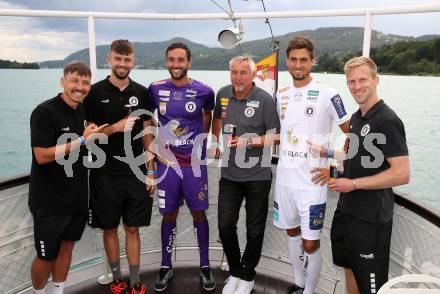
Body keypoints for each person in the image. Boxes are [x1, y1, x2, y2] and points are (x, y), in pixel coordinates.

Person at [273, 35, 350, 294]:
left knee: (310, 243)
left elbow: (354, 132)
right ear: (286, 61)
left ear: (312, 61)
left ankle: (309, 292)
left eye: (303, 60)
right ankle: (298, 283)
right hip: (284, 179)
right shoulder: (280, 94)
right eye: (293, 59)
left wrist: (334, 165)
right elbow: (282, 133)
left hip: (312, 184)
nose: (298, 64)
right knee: (292, 233)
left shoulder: (329, 94)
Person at [328, 56, 410, 294]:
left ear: (376, 79)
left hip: (370, 219)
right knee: (349, 269)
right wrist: (328, 161)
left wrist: (353, 184)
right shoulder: (356, 118)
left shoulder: (388, 120)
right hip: (347, 211)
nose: (357, 86)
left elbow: (402, 173)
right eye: (351, 81)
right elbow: (354, 157)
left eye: (362, 79)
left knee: (372, 286)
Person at [29, 61, 108, 294]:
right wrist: (82, 141)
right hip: (49, 202)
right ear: (62, 81)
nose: (80, 87)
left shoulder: (83, 111)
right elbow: (42, 156)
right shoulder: (44, 112)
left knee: (67, 248)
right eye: (74, 81)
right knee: (45, 256)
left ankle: (58, 291)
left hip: (76, 198)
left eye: (85, 83)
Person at [85, 39, 155, 294]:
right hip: (104, 174)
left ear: (133, 61)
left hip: (135, 173)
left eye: (127, 60)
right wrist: (114, 128)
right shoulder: (93, 93)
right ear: (109, 60)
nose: (122, 64)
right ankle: (117, 279)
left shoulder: (142, 92)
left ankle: (135, 281)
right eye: (118, 59)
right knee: (109, 228)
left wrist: (151, 169)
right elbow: (88, 135)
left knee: (133, 228)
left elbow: (147, 131)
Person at [147, 42, 216, 292]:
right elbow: (149, 119)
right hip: (166, 165)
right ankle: (166, 266)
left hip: (194, 167)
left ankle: (205, 266)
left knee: (199, 214)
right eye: (171, 60)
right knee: (169, 215)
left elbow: (207, 117)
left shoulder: (205, 91)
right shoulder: (155, 89)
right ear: (167, 62)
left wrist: (200, 143)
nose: (176, 64)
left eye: (181, 60)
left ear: (189, 62)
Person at [212, 56, 280, 294]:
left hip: (258, 176)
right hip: (229, 175)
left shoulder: (264, 100)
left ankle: (248, 275)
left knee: (254, 229)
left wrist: (247, 141)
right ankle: (235, 271)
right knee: (225, 225)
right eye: (234, 72)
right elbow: (217, 118)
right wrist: (215, 141)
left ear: (252, 75)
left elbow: (275, 136)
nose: (238, 77)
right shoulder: (222, 94)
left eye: (243, 73)